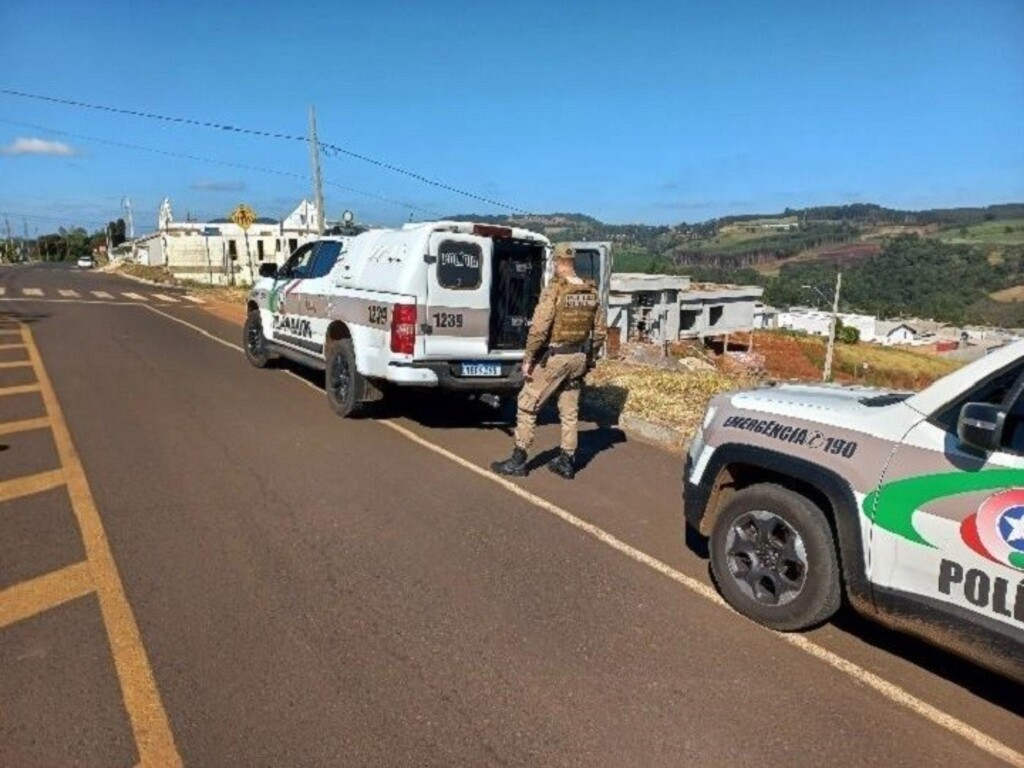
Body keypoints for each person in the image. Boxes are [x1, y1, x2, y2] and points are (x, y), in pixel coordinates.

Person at [491, 243, 607, 479]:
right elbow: (600, 332)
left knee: (526, 403)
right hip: (579, 357)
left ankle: (519, 459)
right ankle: (566, 460)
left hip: (557, 357)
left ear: (556, 262)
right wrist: (589, 359)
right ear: (572, 262)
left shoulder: (555, 290)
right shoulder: (590, 291)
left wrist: (529, 358)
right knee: (569, 409)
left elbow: (539, 330)